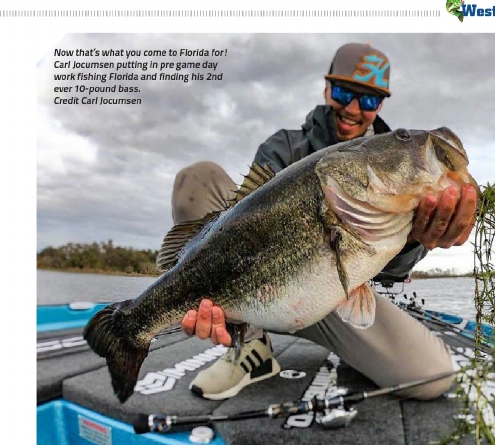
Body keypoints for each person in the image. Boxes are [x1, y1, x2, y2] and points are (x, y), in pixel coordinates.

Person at [170, 43, 478, 401]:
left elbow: (392, 274)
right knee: (198, 180)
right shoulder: (283, 147)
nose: (351, 109)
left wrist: (413, 240)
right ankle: (249, 347)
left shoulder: (400, 176)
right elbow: (240, 221)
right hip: (253, 288)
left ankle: (359, 355)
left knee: (432, 377)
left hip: (335, 292)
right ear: (327, 88)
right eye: (344, 92)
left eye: (367, 100)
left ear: (380, 105)